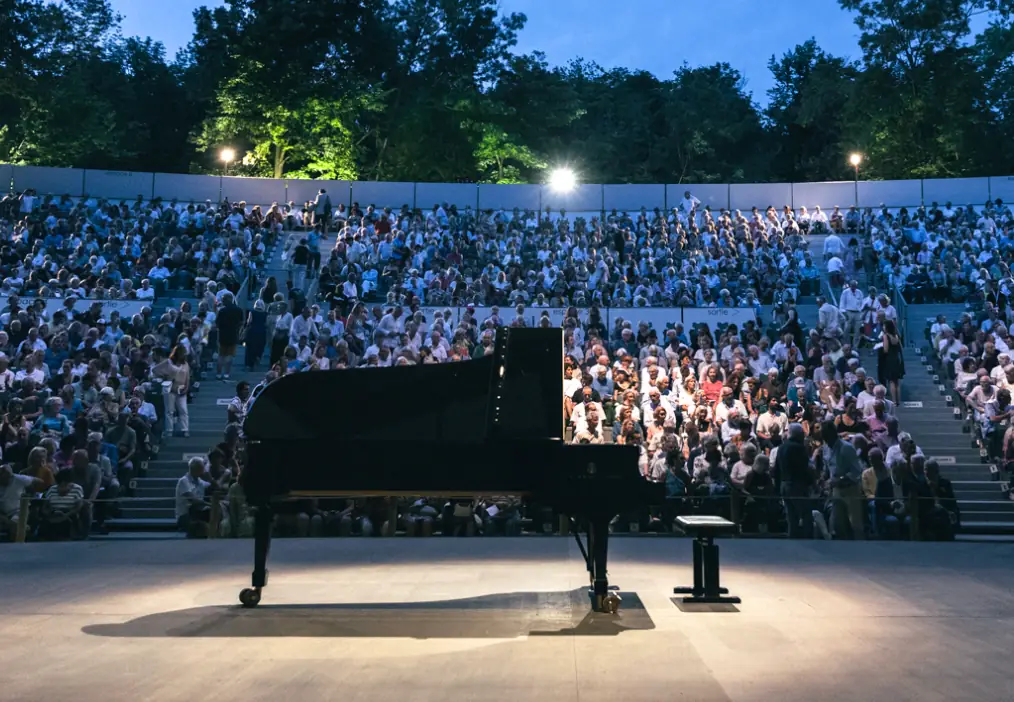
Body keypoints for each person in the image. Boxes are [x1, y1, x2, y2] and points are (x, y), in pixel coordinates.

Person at [821, 419, 865, 540]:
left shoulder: (847, 448)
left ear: (833, 434)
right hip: (836, 491)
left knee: (855, 524)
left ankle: (861, 547)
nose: (826, 440)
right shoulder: (825, 449)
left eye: (827, 436)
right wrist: (823, 477)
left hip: (851, 490)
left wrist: (840, 479)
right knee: (837, 524)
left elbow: (857, 471)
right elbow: (827, 468)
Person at [775, 423, 814, 539]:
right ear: (799, 434)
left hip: (784, 484)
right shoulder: (799, 448)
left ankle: (792, 539)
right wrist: (811, 483)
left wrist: (778, 486)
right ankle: (809, 540)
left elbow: (776, 469)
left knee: (791, 516)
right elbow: (803, 468)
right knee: (806, 514)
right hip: (797, 485)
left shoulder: (781, 447)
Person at [154, 345, 190, 437]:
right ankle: (169, 430)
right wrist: (164, 375)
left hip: (181, 389)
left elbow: (187, 377)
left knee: (183, 410)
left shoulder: (185, 364)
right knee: (169, 411)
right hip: (170, 389)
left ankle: (184, 429)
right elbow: (155, 369)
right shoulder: (168, 362)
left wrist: (186, 387)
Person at [175, 456, 211, 538]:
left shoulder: (200, 481)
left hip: (198, 512)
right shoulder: (183, 481)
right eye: (202, 468)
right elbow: (193, 500)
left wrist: (210, 479)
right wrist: (209, 504)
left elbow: (213, 486)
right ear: (195, 469)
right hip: (185, 515)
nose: (204, 470)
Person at [215, 292, 244, 380]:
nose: (222, 301)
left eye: (223, 299)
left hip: (222, 335)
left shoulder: (222, 311)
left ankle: (218, 374)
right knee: (229, 355)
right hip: (233, 334)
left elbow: (217, 324)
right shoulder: (238, 310)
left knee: (221, 355)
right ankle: (226, 374)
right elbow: (241, 322)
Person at [877, 318, 905, 405]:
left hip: (889, 360)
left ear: (887, 327)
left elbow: (886, 349)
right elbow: (901, 348)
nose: (883, 327)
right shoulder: (896, 336)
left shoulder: (886, 336)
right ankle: (898, 401)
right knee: (897, 382)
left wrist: (880, 348)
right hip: (897, 359)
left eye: (884, 326)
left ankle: (894, 401)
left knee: (891, 381)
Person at [244, 299, 268, 371]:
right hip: (262, 332)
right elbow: (266, 323)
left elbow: (249, 321)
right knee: (259, 346)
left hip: (252, 331)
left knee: (250, 347)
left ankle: (250, 364)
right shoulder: (265, 314)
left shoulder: (252, 312)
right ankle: (257, 358)